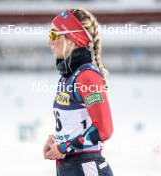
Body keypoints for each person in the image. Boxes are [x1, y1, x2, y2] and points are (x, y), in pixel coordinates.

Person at [43, 8, 114, 176]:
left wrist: (64, 147)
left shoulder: (87, 77)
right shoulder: (68, 77)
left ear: (73, 38)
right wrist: (57, 139)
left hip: (86, 166)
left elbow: (104, 129)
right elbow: (76, 123)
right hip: (70, 167)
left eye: (54, 35)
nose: (50, 42)